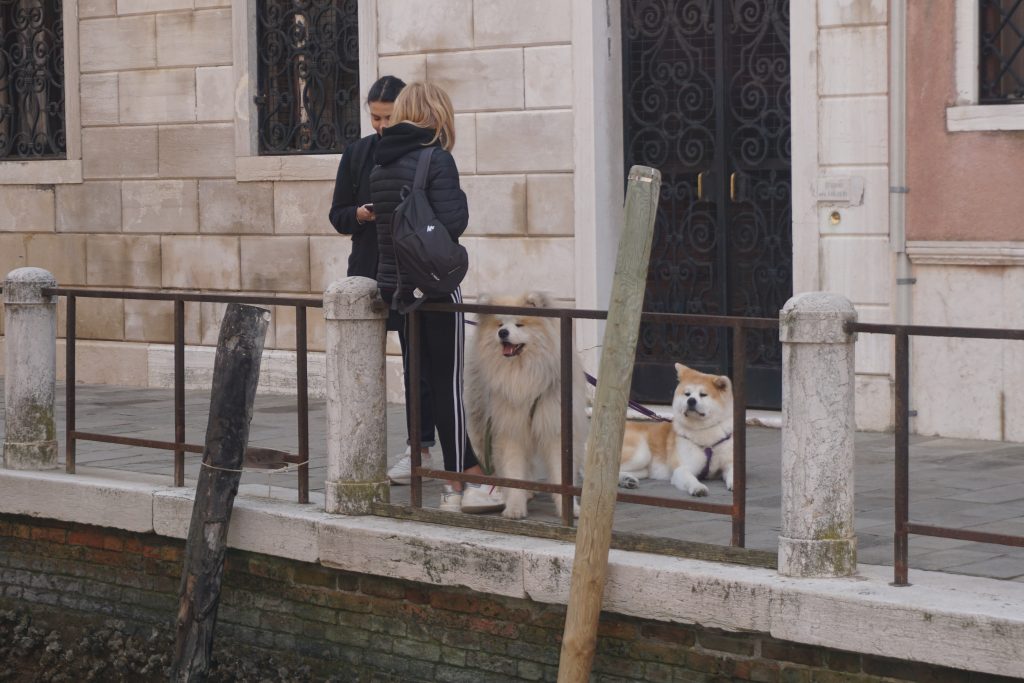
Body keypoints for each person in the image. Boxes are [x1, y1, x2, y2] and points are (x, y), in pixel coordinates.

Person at [369, 82, 504, 514]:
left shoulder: (381, 162)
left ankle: (442, 472)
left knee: (420, 378)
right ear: (438, 114)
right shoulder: (437, 159)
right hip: (435, 287)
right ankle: (466, 479)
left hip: (397, 289)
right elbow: (453, 222)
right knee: (448, 384)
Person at [328, 75, 436, 484]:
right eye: (375, 117)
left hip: (411, 270)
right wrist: (361, 213)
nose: (381, 126)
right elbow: (338, 214)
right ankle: (356, 450)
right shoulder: (357, 154)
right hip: (368, 270)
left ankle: (418, 451)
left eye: (388, 117)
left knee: (416, 363)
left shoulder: (422, 153)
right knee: (359, 361)